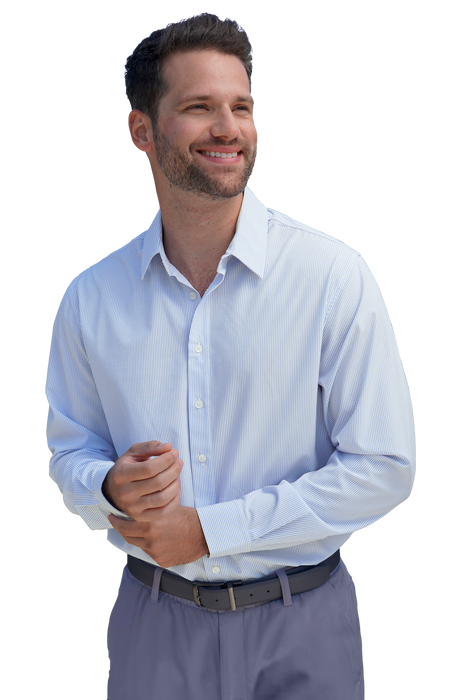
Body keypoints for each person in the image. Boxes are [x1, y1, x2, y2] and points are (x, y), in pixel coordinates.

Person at [44, 11, 418, 700]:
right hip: (154, 624)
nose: (228, 128)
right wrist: (109, 488)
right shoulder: (90, 297)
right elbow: (68, 454)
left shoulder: (333, 276)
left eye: (241, 107)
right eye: (198, 107)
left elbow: (385, 467)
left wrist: (209, 532)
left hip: (304, 622)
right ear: (140, 131)